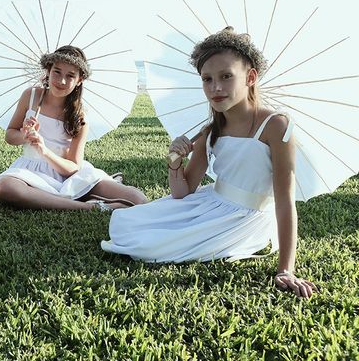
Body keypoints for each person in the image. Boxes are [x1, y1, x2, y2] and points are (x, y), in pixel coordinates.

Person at [101, 27, 316, 298]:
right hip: (210, 201)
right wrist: (175, 163)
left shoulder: (275, 126)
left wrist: (286, 269)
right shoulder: (209, 131)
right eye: (207, 79)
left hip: (244, 218)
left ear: (250, 77)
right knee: (129, 224)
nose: (215, 87)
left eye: (226, 77)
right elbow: (182, 192)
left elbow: (285, 200)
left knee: (149, 248)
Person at [0, 45, 148, 211]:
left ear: (79, 80)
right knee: (4, 188)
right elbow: (10, 135)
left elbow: (72, 168)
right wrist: (25, 135)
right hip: (30, 171)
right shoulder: (31, 96)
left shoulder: (80, 116)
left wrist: (44, 151)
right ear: (48, 71)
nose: (62, 81)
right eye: (57, 71)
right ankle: (90, 207)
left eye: (70, 75)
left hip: (67, 174)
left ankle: (69, 196)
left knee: (138, 199)